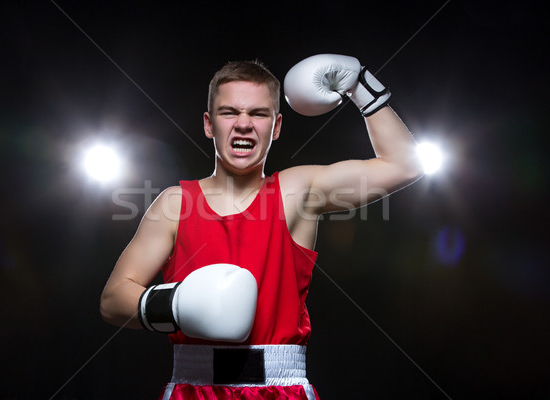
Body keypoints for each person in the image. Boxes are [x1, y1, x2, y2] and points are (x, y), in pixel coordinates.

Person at [100, 54, 423, 399]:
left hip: (281, 389)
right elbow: (112, 300)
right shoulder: (174, 204)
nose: (243, 124)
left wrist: (360, 85)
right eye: (230, 112)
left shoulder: (298, 192)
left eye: (257, 113)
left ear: (276, 126)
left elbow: (404, 165)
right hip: (191, 389)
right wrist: (177, 304)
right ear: (209, 124)